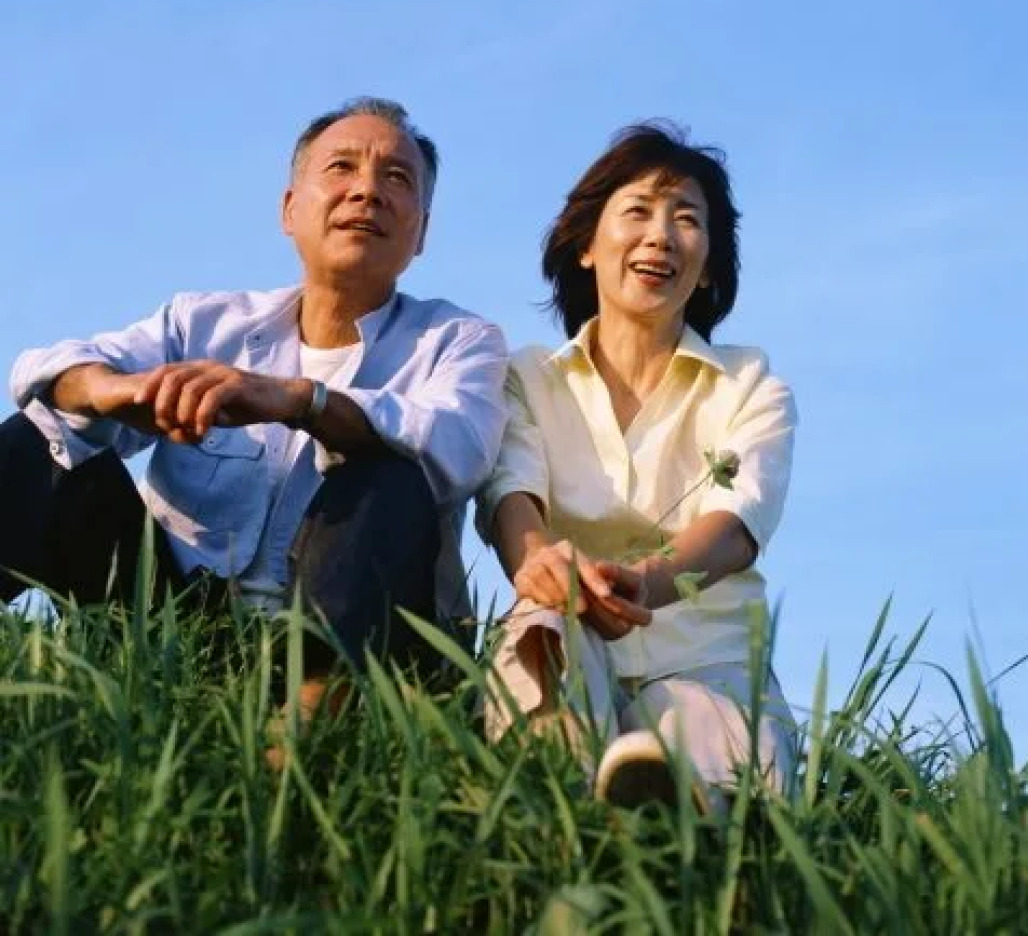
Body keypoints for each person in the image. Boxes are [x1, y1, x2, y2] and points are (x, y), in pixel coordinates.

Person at [2, 96, 509, 712]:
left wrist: (298, 400)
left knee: (388, 470)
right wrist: (111, 390)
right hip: (173, 625)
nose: (367, 192)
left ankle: (307, 722)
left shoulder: (458, 340)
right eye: (341, 168)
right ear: (290, 210)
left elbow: (457, 446)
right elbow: (44, 369)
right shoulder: (204, 323)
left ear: (422, 230)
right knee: (43, 436)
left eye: (397, 178)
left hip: (359, 638)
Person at [478, 122, 797, 811]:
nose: (661, 235)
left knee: (715, 769)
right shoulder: (527, 378)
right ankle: (557, 809)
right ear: (586, 245)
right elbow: (512, 492)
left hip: (706, 662)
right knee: (545, 620)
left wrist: (647, 584)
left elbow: (738, 521)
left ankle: (683, 816)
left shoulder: (749, 383)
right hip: (572, 634)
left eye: (687, 219)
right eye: (638, 212)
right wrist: (538, 561)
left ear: (708, 264)